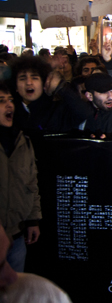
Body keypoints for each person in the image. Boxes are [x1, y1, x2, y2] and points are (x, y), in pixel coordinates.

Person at [0, 84, 41, 273]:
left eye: (10, 100)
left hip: (17, 236)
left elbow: (31, 182)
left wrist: (33, 219)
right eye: (1, 101)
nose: (9, 106)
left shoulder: (21, 140)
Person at [10, 56, 92, 137]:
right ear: (16, 86)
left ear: (44, 83)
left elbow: (84, 113)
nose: (28, 82)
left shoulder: (57, 110)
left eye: (34, 78)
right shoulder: (9, 111)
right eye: (22, 78)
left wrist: (61, 87)